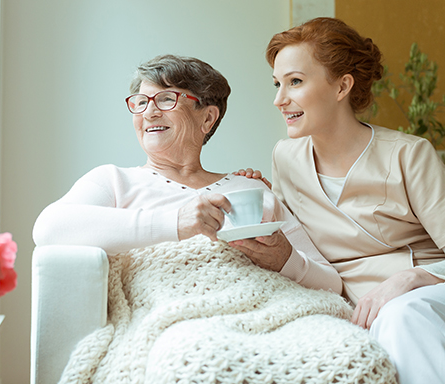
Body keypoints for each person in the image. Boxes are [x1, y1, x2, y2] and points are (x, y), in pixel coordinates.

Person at [237, 17, 445, 384]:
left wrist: (408, 279)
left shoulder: (409, 154)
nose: (279, 99)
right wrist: (264, 202)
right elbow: (298, 245)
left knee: (401, 316)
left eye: (295, 82)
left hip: (421, 294)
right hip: (342, 299)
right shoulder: (285, 156)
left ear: (342, 86)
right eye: (277, 84)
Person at [33, 54, 341, 292]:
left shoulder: (249, 189)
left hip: (266, 313)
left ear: (207, 118)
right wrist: (175, 223)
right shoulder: (114, 181)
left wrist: (286, 260)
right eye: (140, 102)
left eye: (166, 99)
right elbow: (48, 228)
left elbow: (332, 284)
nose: (149, 112)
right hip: (177, 323)